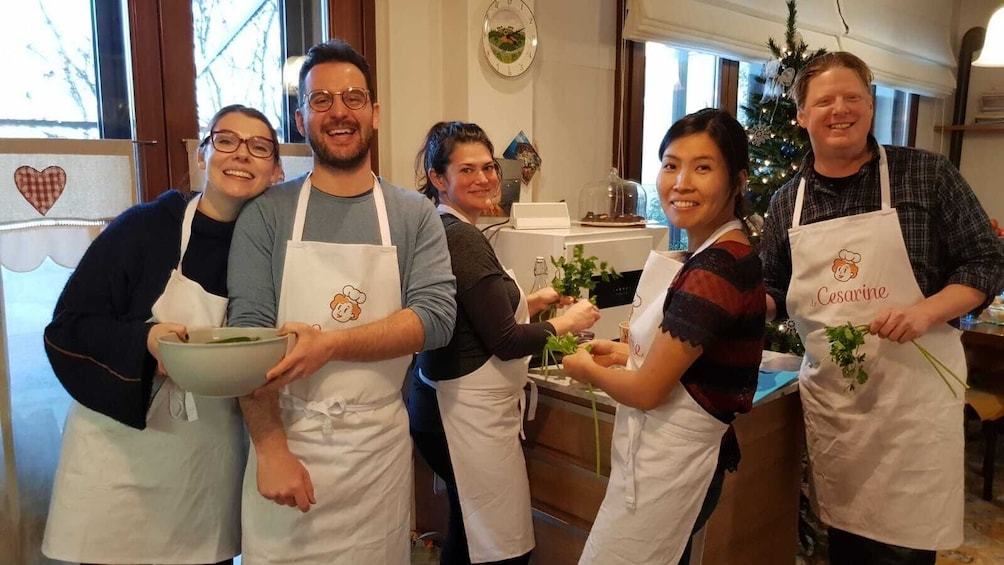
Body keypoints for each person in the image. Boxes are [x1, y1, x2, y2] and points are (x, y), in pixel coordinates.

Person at [759, 51, 1004, 565]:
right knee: (847, 543)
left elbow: (986, 261)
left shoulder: (927, 176)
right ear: (801, 115)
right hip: (838, 404)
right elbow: (772, 288)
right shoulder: (788, 200)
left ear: (871, 106)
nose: (839, 109)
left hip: (912, 401)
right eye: (823, 100)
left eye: (852, 97)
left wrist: (926, 312)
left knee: (906, 549)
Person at [227, 39, 457, 565]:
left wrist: (329, 346)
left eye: (353, 97)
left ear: (374, 112)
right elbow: (246, 338)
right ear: (302, 117)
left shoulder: (412, 215)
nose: (339, 112)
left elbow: (437, 317)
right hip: (288, 444)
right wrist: (269, 449)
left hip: (376, 457)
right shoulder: (266, 214)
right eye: (321, 100)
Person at [41, 104, 284, 565]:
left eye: (259, 147)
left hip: (202, 461)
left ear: (275, 172)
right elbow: (68, 327)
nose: (242, 155)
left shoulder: (267, 248)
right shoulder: (144, 227)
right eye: (226, 140)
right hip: (119, 454)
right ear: (202, 156)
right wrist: (147, 341)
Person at [562, 108, 766, 565]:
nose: (681, 182)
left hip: (673, 463)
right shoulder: (720, 251)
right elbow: (692, 358)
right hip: (674, 460)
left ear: (738, 180)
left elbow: (649, 391)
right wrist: (623, 352)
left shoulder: (716, 267)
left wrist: (585, 369)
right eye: (671, 165)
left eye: (703, 167)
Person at [407, 121, 601, 565]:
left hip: (437, 405)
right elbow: (507, 341)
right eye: (467, 170)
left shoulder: (443, 229)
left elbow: (469, 315)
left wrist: (538, 299)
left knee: (470, 534)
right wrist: (568, 322)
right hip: (464, 416)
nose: (484, 178)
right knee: (497, 549)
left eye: (489, 167)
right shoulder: (464, 239)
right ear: (440, 179)